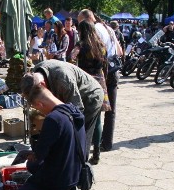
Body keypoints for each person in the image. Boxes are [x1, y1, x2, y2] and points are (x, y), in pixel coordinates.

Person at [16, 78, 86, 190]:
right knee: (33, 166)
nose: (40, 112)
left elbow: (38, 156)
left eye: (38, 109)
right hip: (75, 174)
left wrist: (31, 156)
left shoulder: (53, 119)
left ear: (39, 104)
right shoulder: (73, 110)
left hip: (59, 182)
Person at [21, 60, 104, 157]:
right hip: (73, 92)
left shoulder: (63, 79)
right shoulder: (35, 73)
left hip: (90, 96)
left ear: (42, 85)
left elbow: (77, 111)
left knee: (81, 135)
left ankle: (82, 165)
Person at [78, 10, 122, 152]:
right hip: (110, 72)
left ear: (87, 19)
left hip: (97, 75)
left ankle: (92, 143)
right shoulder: (108, 28)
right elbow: (119, 51)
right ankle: (106, 143)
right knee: (110, 110)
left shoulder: (92, 31)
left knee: (93, 113)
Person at [74, 20, 109, 164]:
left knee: (85, 119)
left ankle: (83, 152)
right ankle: (97, 153)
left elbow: (71, 56)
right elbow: (105, 65)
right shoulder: (101, 45)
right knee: (98, 120)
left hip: (85, 83)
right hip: (100, 82)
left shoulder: (81, 45)